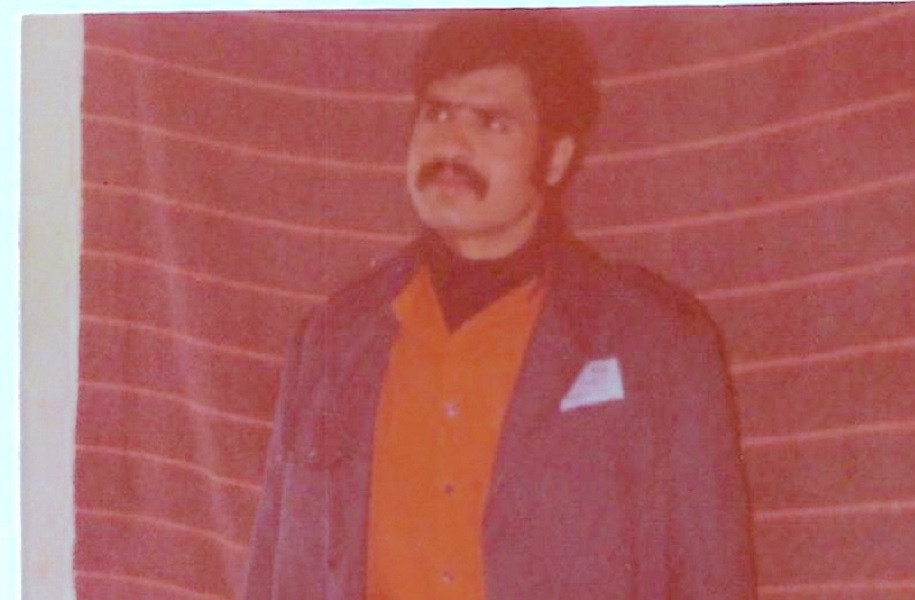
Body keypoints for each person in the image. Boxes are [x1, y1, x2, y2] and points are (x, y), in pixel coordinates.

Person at [242, 10, 755, 599]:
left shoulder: (654, 343)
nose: (451, 145)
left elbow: (714, 580)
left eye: (491, 123)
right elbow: (275, 577)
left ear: (556, 157)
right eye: (436, 114)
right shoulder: (333, 341)